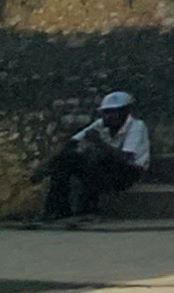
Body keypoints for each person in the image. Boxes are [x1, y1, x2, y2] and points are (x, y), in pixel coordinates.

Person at [40, 90, 149, 223]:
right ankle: (57, 210)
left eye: (113, 112)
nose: (108, 116)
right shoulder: (100, 124)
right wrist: (50, 165)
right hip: (106, 168)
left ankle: (89, 209)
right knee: (68, 159)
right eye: (106, 112)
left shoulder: (137, 126)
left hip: (129, 173)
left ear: (125, 112)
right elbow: (72, 142)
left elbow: (126, 158)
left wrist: (99, 142)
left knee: (96, 157)